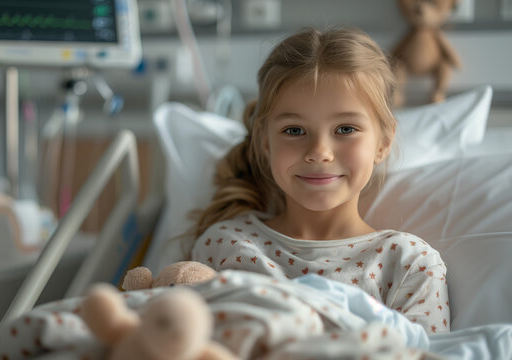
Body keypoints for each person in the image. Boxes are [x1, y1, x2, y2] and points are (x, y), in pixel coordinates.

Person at [190, 27, 450, 334]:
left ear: (383, 142)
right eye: (295, 130)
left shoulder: (408, 265)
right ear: (265, 142)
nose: (319, 153)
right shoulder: (225, 245)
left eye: (345, 129)